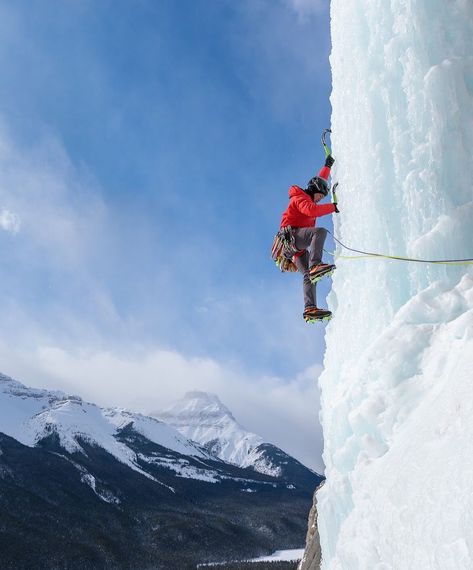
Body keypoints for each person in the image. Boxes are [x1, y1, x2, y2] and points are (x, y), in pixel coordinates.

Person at [279, 154, 339, 323]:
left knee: (308, 276)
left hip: (295, 250)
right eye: (320, 196)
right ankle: (316, 265)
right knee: (319, 232)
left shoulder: (310, 194)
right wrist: (333, 207)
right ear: (313, 190)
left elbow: (321, 180)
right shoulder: (300, 198)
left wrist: (327, 166)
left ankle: (309, 308)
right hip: (291, 238)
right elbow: (311, 210)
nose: (320, 200)